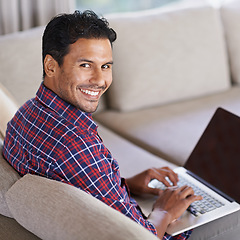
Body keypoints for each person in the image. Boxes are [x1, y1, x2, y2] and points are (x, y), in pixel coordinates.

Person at [3, 10, 202, 239]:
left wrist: (124, 184)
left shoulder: (24, 116)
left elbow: (75, 186)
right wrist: (164, 211)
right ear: (51, 66)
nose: (99, 80)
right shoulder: (76, 144)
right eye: (86, 65)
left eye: (106, 66)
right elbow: (138, 235)